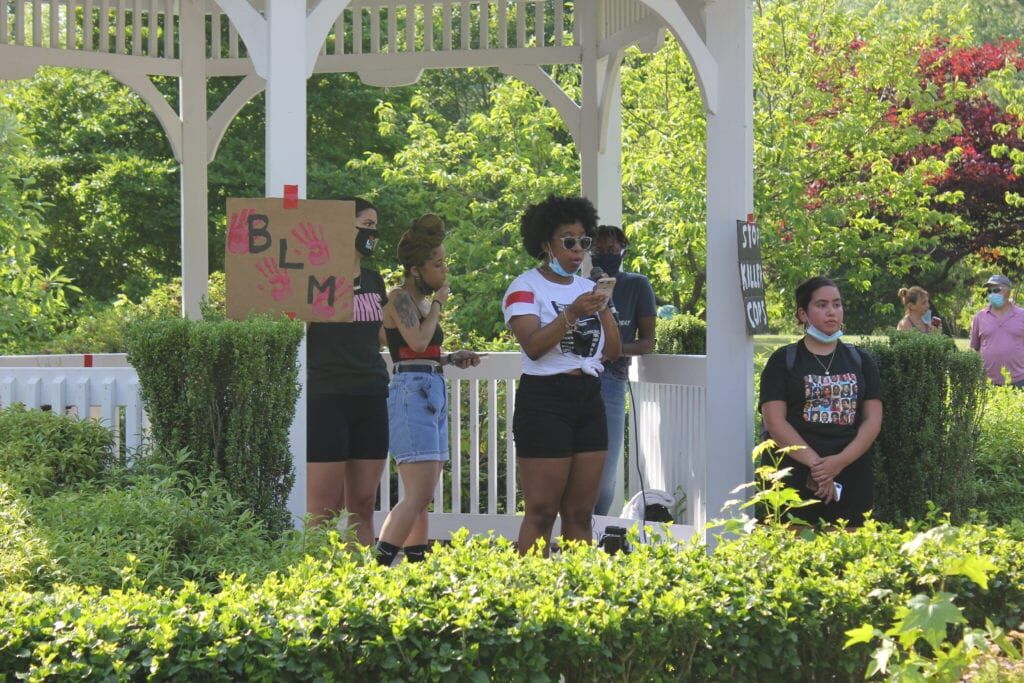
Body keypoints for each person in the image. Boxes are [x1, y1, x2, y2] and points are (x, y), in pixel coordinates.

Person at [503, 195, 621, 555]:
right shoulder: (525, 287)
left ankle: (577, 594)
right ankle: (531, 594)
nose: (577, 250)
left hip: (588, 397)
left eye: (583, 241)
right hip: (544, 399)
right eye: (568, 241)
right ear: (545, 244)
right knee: (541, 511)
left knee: (581, 512)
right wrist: (570, 313)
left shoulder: (588, 288)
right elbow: (533, 346)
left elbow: (612, 351)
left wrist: (601, 309)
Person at [374, 214, 481, 566]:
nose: (444, 270)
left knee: (423, 496)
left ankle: (417, 570)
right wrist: (438, 305)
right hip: (411, 393)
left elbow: (421, 350)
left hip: (430, 387)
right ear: (417, 269)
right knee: (417, 494)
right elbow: (417, 343)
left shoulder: (419, 303)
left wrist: (450, 357)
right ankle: (378, 565)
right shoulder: (400, 298)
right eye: (438, 264)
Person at [759, 276, 883, 526]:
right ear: (803, 314)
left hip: (851, 473)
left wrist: (838, 463)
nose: (831, 312)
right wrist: (819, 467)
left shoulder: (861, 360)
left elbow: (873, 420)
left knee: (850, 553)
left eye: (837, 305)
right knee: (790, 551)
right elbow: (774, 421)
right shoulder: (783, 361)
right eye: (822, 305)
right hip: (792, 475)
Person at [306, 197, 389, 545]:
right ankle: (313, 582)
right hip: (327, 396)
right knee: (324, 508)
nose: (372, 234)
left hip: (370, 394)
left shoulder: (374, 279)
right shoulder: (315, 277)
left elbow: (387, 334)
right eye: (366, 226)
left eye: (374, 227)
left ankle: (361, 583)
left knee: (363, 504)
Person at [589, 225, 657, 516]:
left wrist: (616, 350)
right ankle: (574, 533)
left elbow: (647, 342)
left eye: (612, 248)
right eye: (599, 249)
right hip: (578, 376)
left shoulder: (636, 285)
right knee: (575, 465)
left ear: (623, 250)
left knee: (605, 472)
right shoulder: (581, 285)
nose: (606, 254)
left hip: (613, 379)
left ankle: (597, 526)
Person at [970, 274, 1024, 388]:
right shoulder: (979, 317)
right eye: (989, 291)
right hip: (988, 383)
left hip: (1019, 381)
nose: (992, 294)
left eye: (996, 290)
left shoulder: (1022, 315)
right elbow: (975, 348)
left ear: (1008, 292)